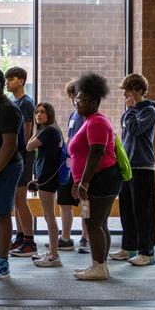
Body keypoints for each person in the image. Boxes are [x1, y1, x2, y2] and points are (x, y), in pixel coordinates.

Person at [68, 72, 122, 280]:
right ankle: (99, 265)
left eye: (80, 100)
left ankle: (99, 267)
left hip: (102, 178)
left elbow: (96, 153)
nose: (77, 104)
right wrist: (78, 180)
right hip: (99, 178)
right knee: (100, 223)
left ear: (93, 101)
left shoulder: (97, 122)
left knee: (93, 224)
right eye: (76, 100)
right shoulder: (91, 120)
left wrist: (85, 182)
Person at [110, 74, 155, 266]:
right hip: (128, 166)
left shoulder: (149, 111)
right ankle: (129, 248)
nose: (125, 95)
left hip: (143, 166)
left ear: (138, 90)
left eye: (127, 91)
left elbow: (135, 129)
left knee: (143, 212)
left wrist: (130, 111)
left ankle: (147, 252)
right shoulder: (130, 111)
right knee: (127, 210)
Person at [0, 69, 23, 280]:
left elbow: (9, 146)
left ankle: (2, 263)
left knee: (1, 213)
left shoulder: (9, 109)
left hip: (6, 167)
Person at [5, 67, 38, 257]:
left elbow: (26, 134)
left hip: (23, 157)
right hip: (16, 157)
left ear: (22, 81)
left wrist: (17, 152)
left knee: (20, 199)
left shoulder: (26, 103)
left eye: (12, 79)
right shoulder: (14, 102)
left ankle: (29, 241)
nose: (8, 82)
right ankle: (20, 236)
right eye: (7, 79)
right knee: (16, 200)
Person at [26, 102, 63, 267]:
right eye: (36, 112)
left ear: (50, 114)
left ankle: (54, 255)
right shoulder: (50, 130)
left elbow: (28, 146)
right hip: (45, 176)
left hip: (48, 177)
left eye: (42, 112)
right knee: (49, 216)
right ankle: (51, 252)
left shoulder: (48, 131)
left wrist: (36, 129)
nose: (39, 115)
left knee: (49, 216)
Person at [58, 80, 90, 253]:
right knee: (64, 202)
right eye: (71, 97)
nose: (73, 101)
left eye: (75, 97)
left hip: (83, 167)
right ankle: (65, 237)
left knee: (85, 203)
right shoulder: (73, 115)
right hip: (69, 166)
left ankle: (85, 237)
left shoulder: (87, 117)